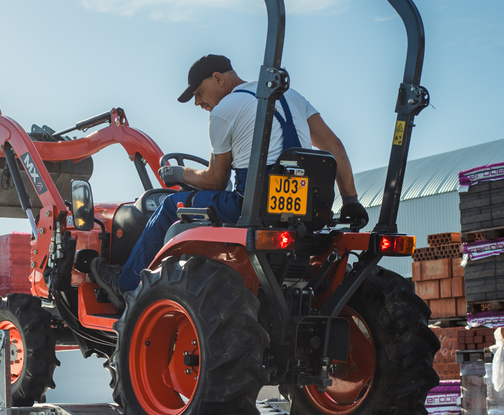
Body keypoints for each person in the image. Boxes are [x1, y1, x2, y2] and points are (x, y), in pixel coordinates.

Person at [90, 54, 365, 308]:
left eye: (199, 93)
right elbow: (333, 145)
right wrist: (350, 200)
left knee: (168, 207)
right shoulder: (292, 96)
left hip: (249, 206)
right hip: (301, 210)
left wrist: (179, 175)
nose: (198, 103)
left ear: (218, 79)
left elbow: (215, 181)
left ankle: (124, 285)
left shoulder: (224, 110)